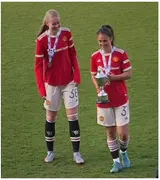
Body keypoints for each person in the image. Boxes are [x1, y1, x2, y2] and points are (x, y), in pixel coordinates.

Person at [34, 9, 84, 164]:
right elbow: (37, 66)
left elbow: (73, 54)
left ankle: (76, 152)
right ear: (47, 24)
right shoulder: (41, 40)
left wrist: (77, 75)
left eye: (58, 22)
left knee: (73, 116)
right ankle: (50, 152)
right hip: (51, 85)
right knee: (51, 117)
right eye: (54, 23)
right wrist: (42, 89)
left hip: (69, 81)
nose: (57, 25)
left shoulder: (67, 33)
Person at [90, 25, 132, 173]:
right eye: (100, 41)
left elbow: (128, 73)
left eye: (105, 41)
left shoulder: (120, 54)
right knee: (110, 132)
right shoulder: (95, 56)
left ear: (111, 39)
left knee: (123, 133)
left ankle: (124, 153)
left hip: (120, 98)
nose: (102, 44)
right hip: (104, 100)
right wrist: (97, 87)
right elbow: (93, 75)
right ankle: (115, 162)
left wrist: (112, 78)